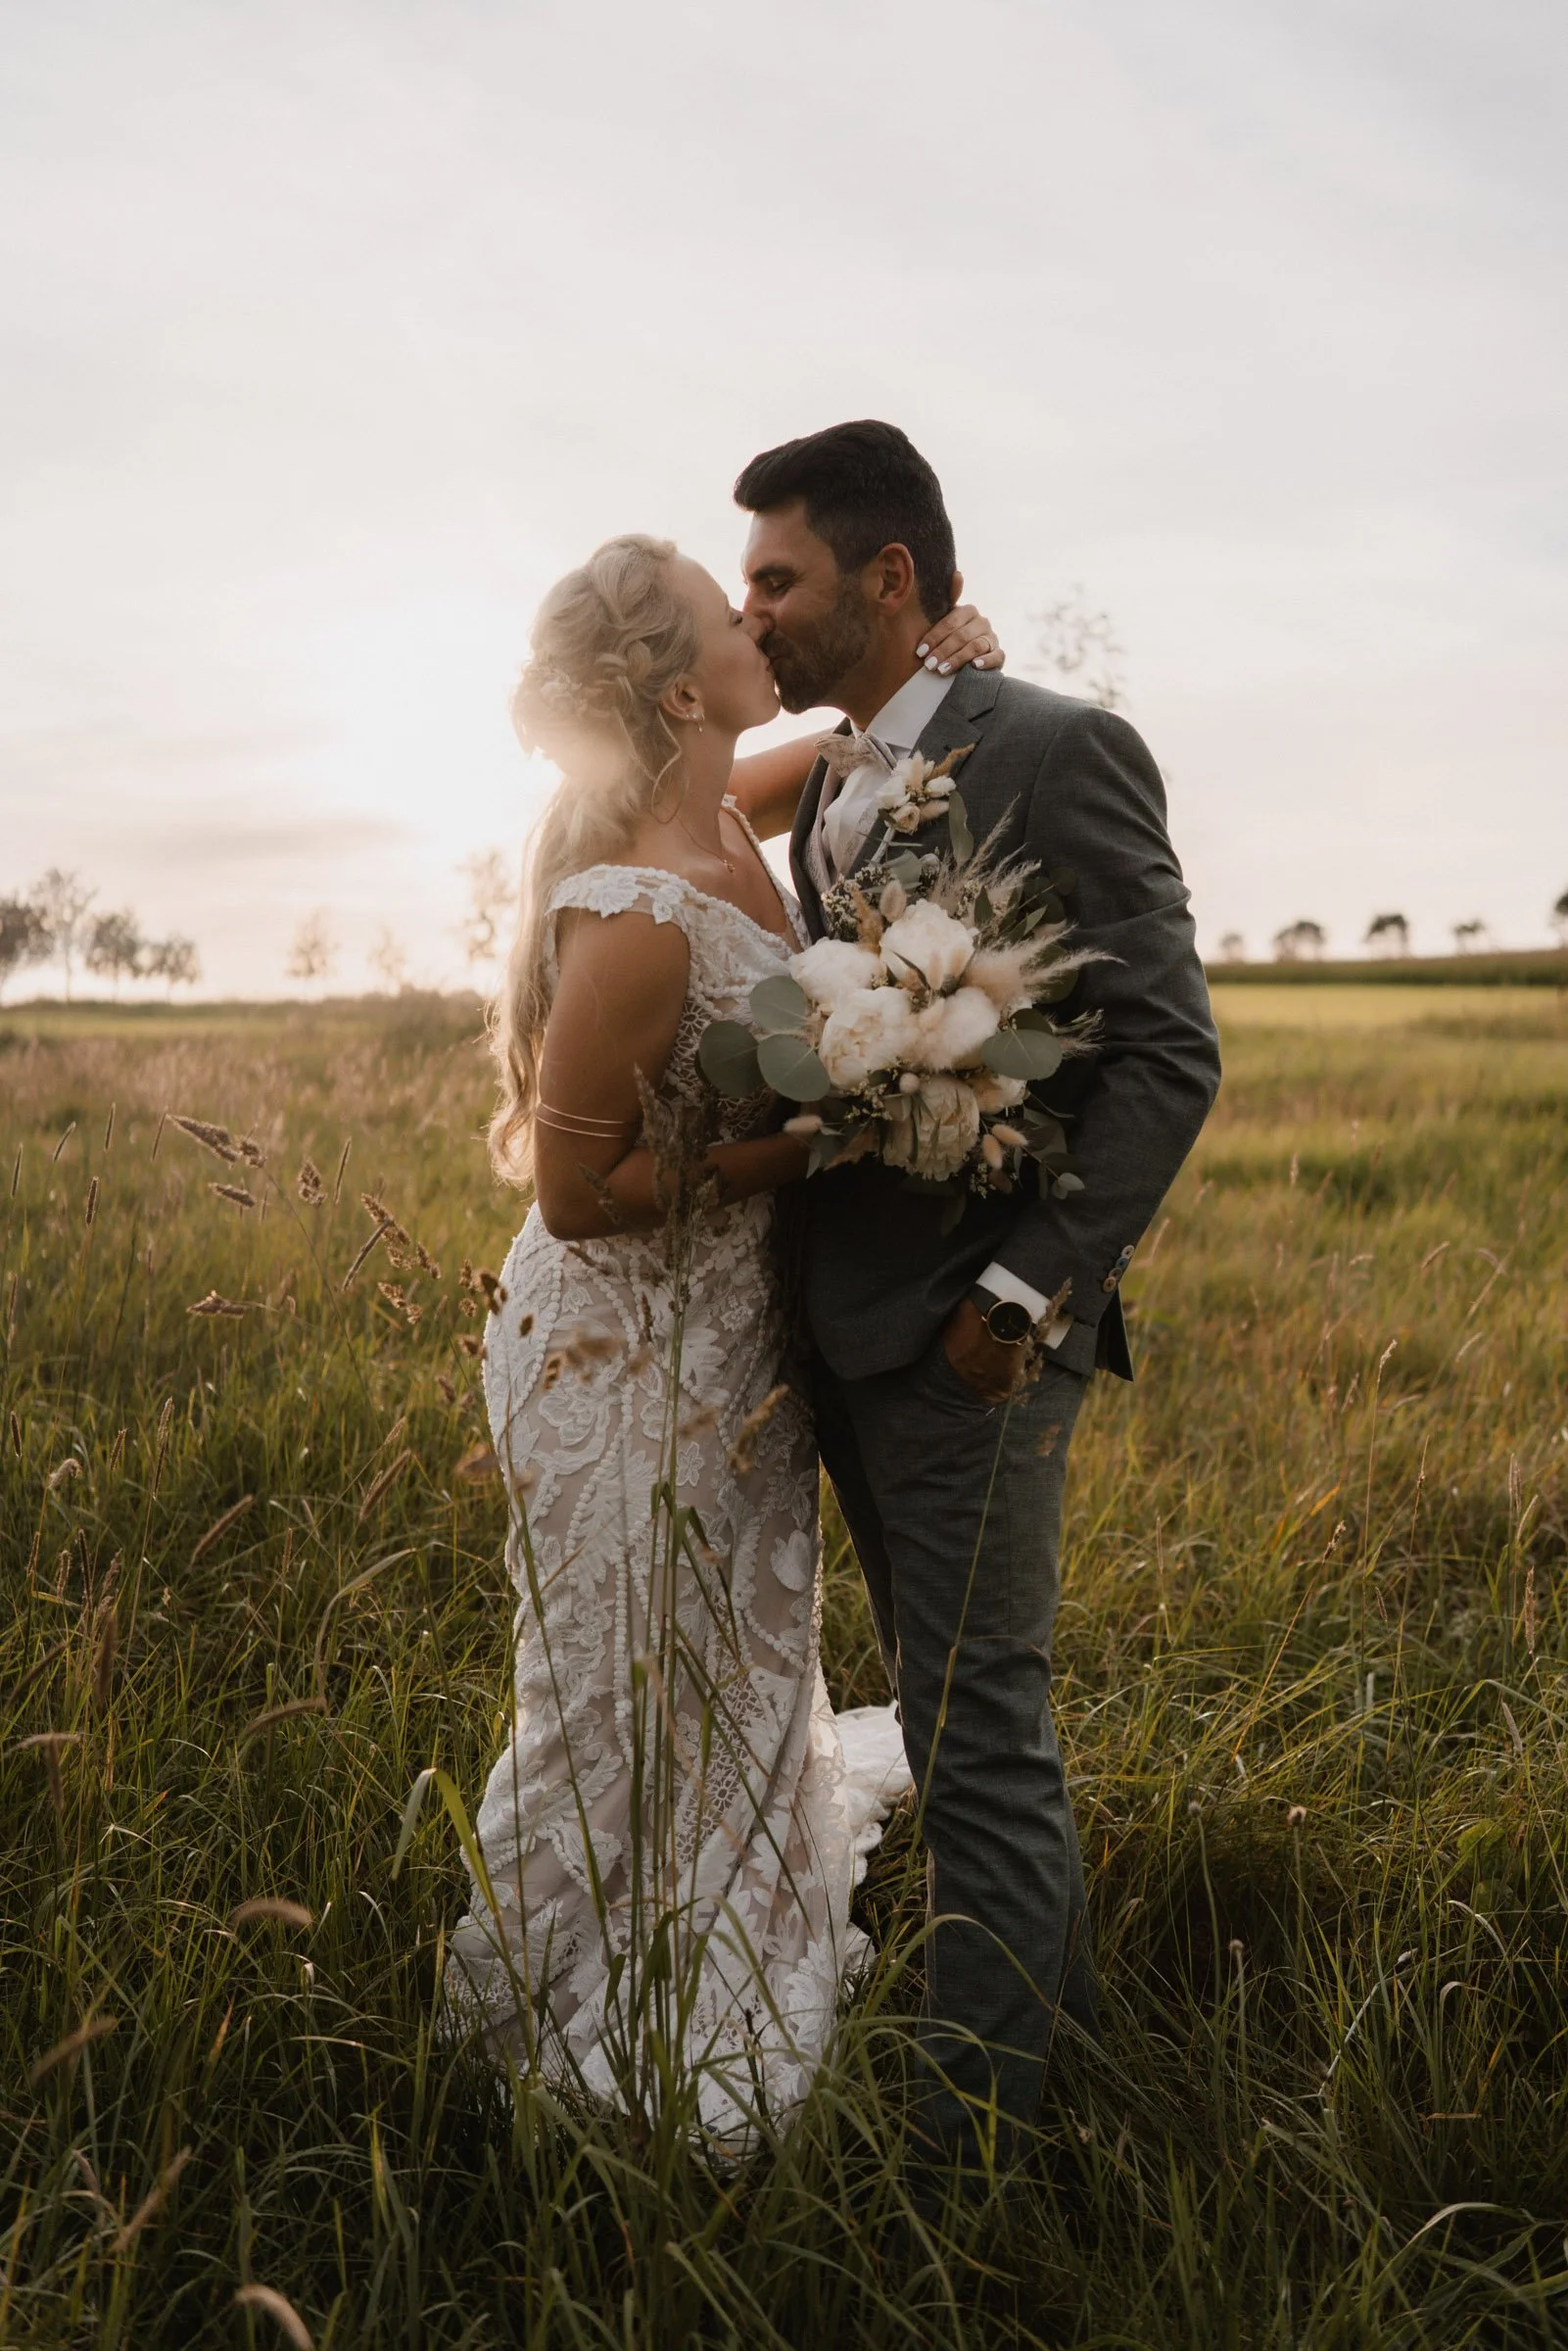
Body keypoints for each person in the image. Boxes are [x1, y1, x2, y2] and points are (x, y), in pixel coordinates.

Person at [444, 531, 1003, 2142]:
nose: (762, 618)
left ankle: (726, 1937)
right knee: (630, 1690)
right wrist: (822, 1135)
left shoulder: (716, 813)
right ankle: (588, 2021)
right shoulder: (638, 910)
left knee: (738, 1662)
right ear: (684, 684)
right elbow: (572, 1195)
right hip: (619, 1357)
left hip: (726, 1341)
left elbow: (847, 749)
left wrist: (937, 662)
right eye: (728, 602)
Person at [735, 419, 1222, 2168]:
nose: (753, 610)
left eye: (777, 577)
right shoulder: (843, 782)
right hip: (841, 1327)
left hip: (973, 1339)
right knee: (951, 1733)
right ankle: (1039, 2068)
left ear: (888, 577)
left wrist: (1017, 1296)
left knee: (979, 1737)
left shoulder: (1065, 750)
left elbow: (1167, 1055)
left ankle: (975, 2161)